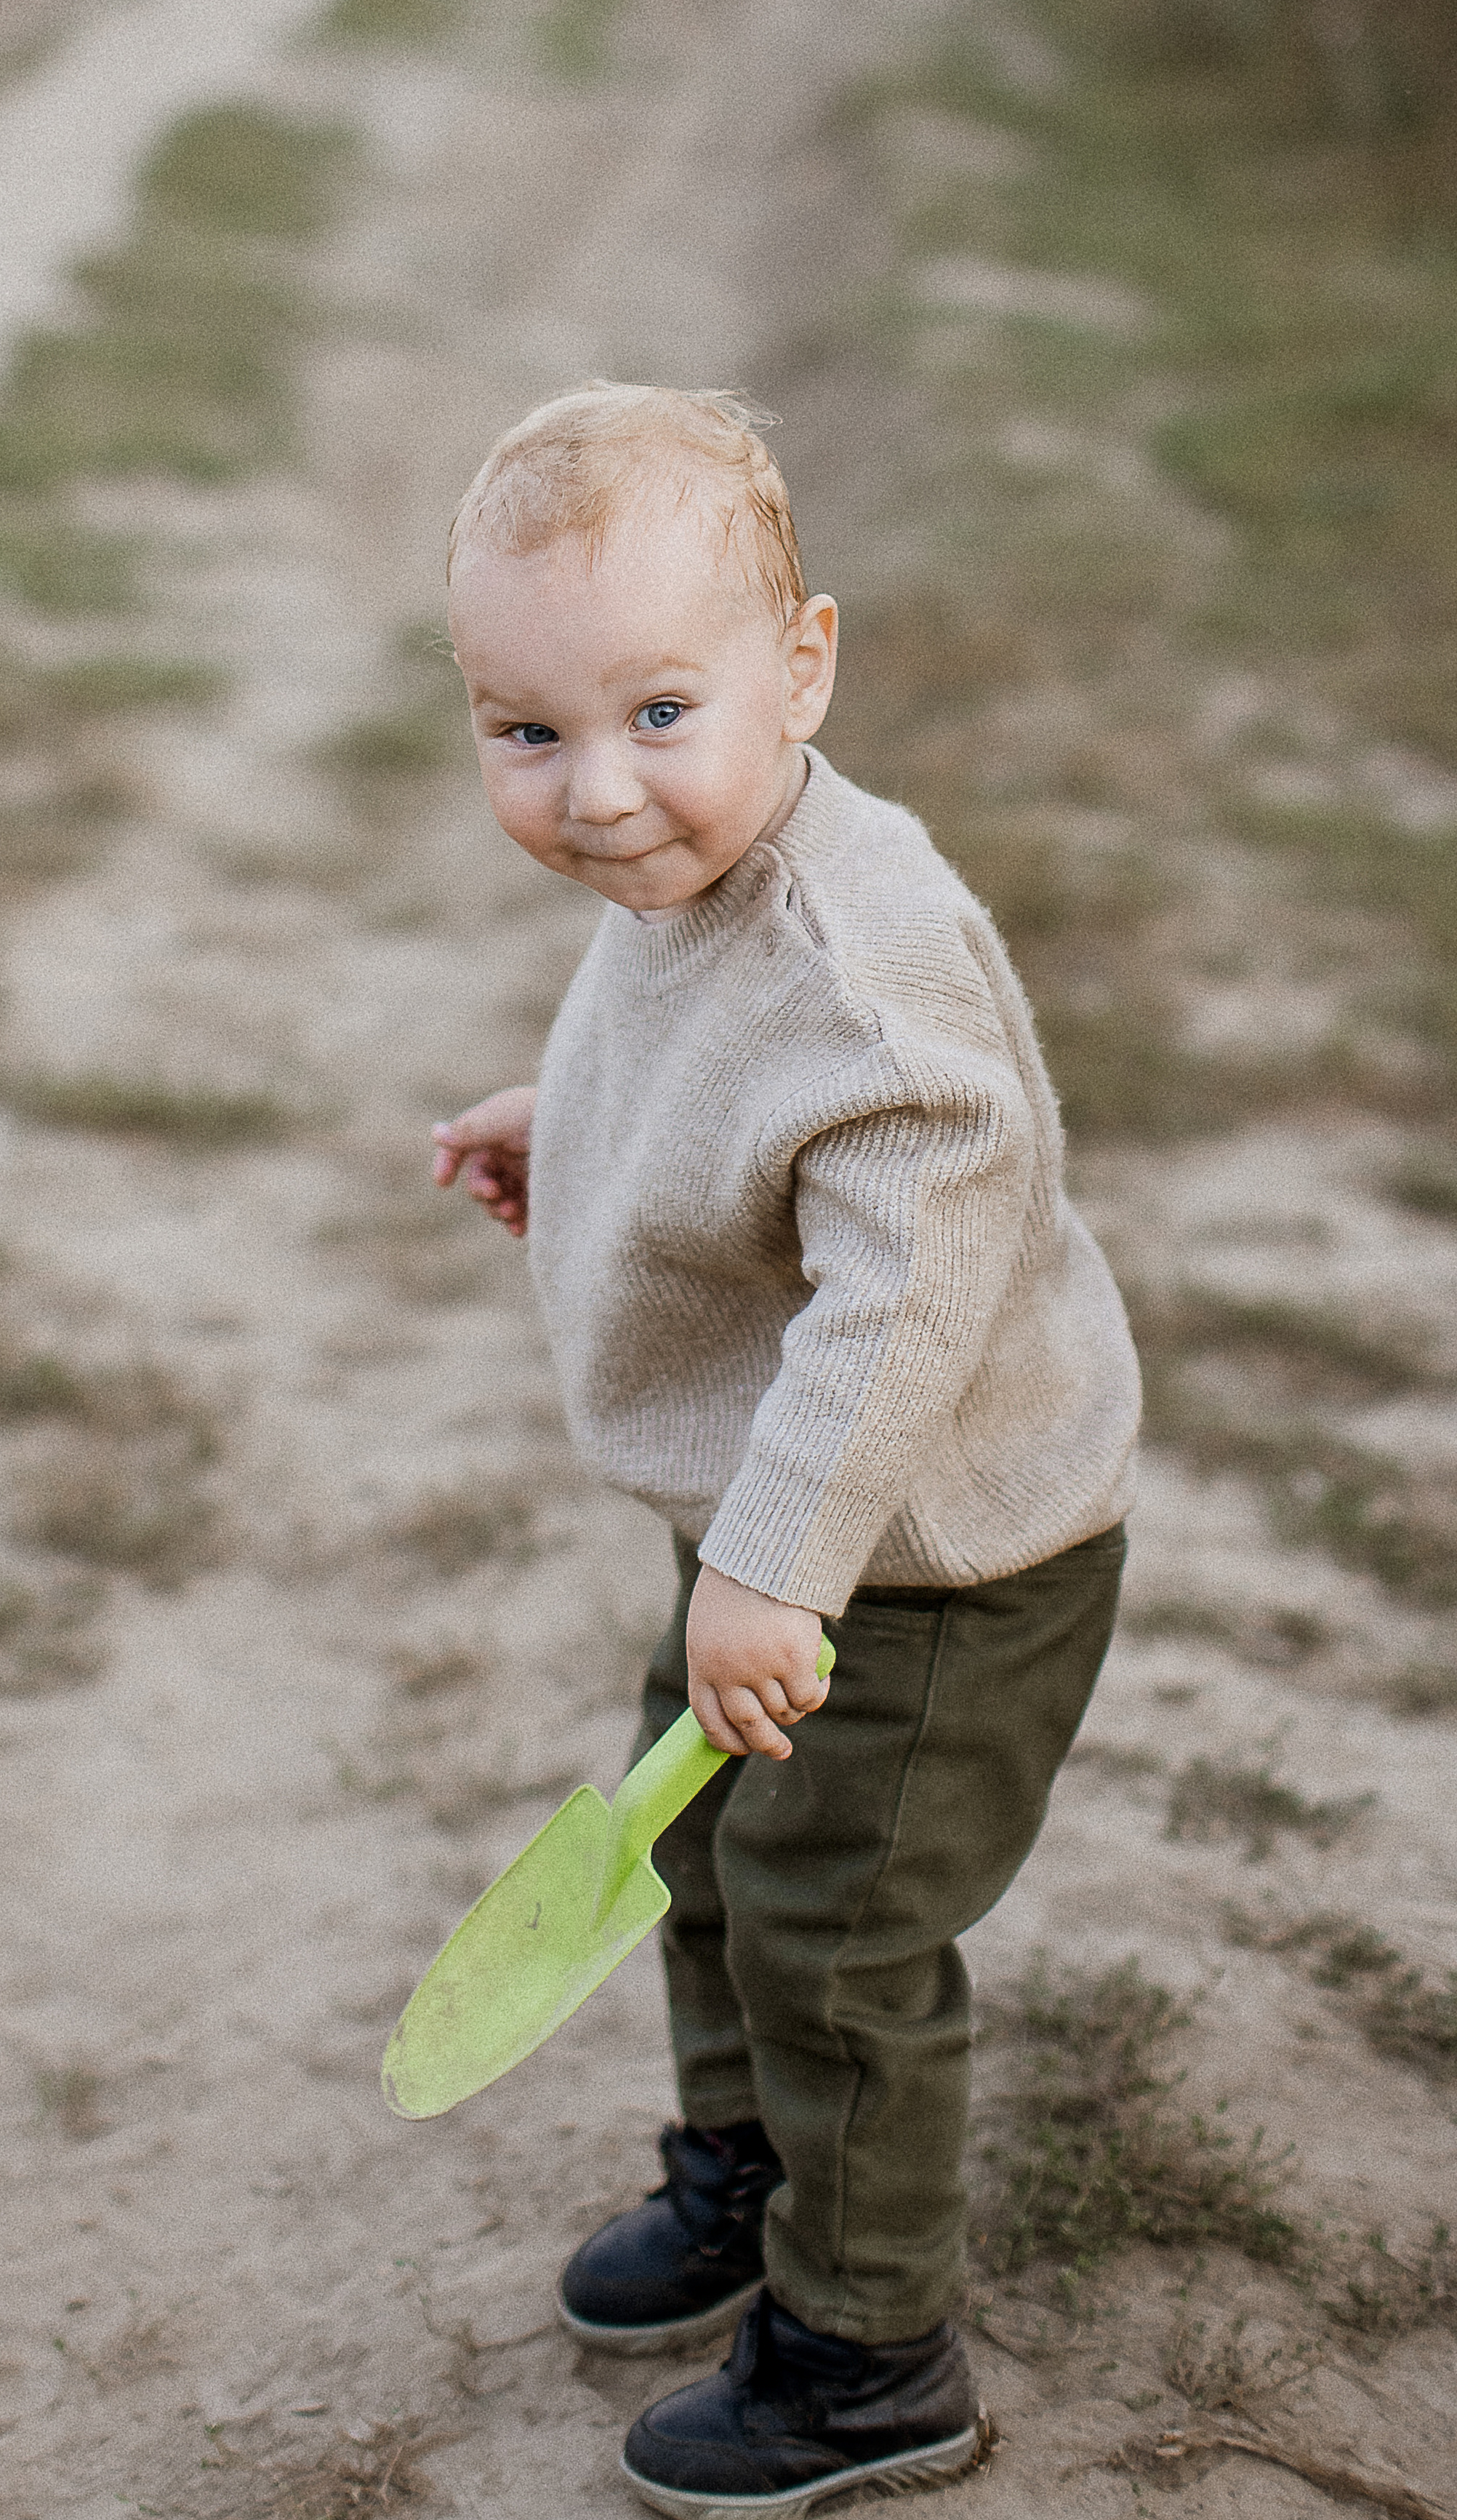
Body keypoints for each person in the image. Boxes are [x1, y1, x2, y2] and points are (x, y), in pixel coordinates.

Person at [430, 383, 1140, 2519]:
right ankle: (748, 2174)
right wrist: (578, 1125)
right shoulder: (704, 874)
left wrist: (782, 1569)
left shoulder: (861, 956)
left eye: (659, 710)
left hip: (922, 1566)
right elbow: (704, 1067)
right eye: (525, 732)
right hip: (787, 1544)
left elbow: (905, 1288)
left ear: (803, 665)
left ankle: (865, 2348)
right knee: (709, 1868)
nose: (598, 793)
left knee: (836, 1932)